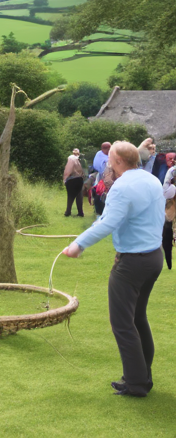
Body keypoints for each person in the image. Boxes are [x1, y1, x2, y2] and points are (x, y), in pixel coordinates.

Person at [63, 141, 165, 397]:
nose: (108, 163)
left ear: (118, 162)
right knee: (137, 318)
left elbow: (108, 222)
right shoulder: (151, 179)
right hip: (154, 257)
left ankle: (137, 384)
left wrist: (78, 244)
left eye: (111, 160)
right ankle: (142, 376)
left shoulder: (122, 186)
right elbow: (111, 217)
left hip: (132, 262)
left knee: (122, 324)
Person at [63, 148, 84, 217]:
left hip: (72, 179)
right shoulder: (81, 160)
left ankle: (68, 212)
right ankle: (80, 212)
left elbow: (68, 169)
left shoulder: (71, 158)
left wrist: (65, 179)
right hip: (80, 179)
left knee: (70, 196)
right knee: (79, 196)